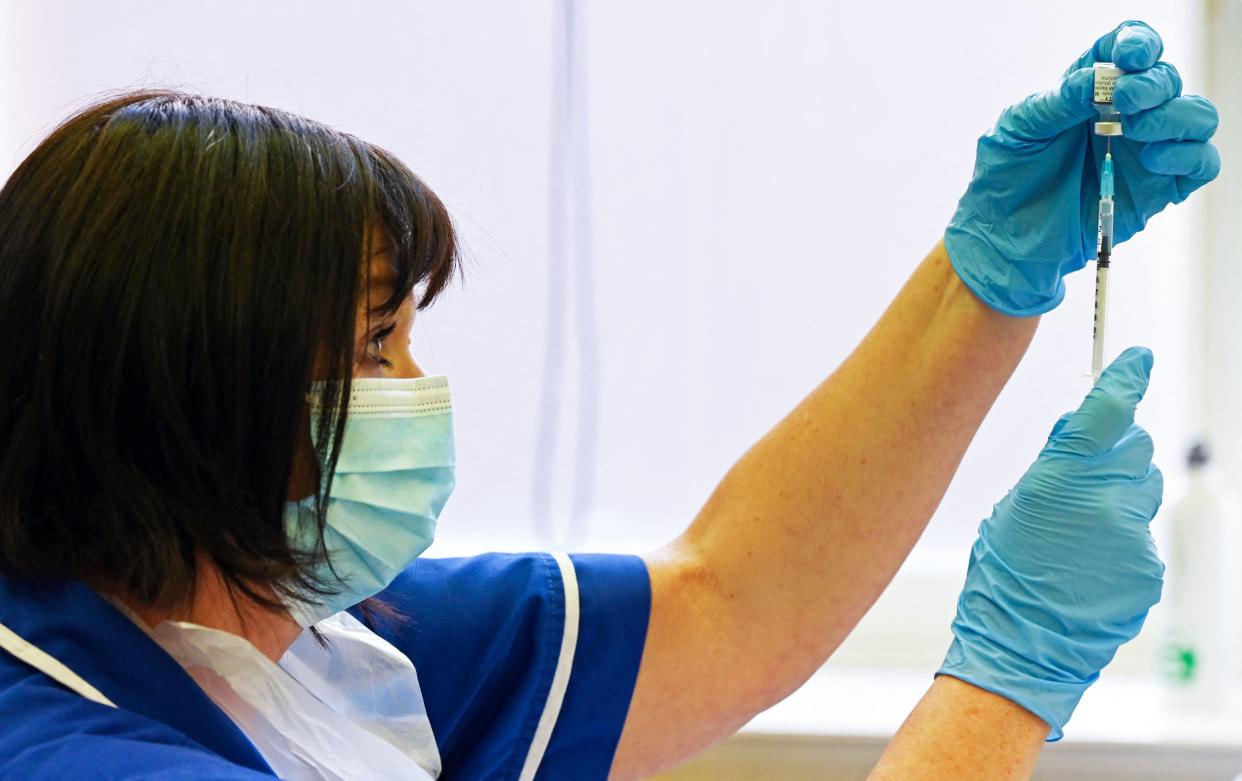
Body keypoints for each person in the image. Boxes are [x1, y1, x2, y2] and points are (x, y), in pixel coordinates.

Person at [0, 19, 1217, 781]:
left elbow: (731, 599)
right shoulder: (82, 752)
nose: (419, 395)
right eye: (376, 345)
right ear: (194, 385)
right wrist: (1007, 680)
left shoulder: (309, 645)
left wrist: (988, 280)